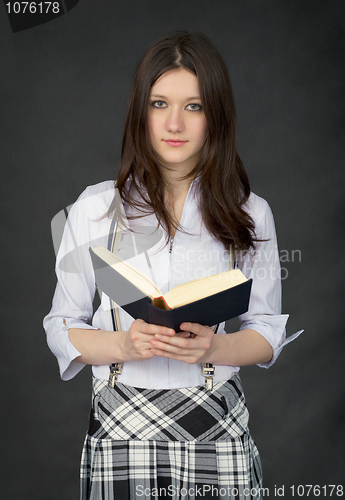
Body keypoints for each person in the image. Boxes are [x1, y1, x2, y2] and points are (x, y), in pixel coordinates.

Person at [44, 31, 302, 500]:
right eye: (160, 104)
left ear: (215, 115)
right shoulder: (94, 209)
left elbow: (266, 331)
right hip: (120, 430)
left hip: (217, 429)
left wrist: (213, 349)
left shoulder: (250, 212)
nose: (175, 123)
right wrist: (123, 342)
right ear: (140, 112)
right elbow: (62, 326)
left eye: (195, 106)